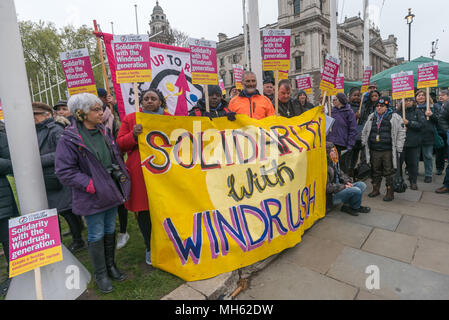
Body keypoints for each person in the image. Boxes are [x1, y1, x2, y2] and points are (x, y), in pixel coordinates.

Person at [55, 93, 130, 294]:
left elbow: (113, 156)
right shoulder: (69, 138)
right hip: (92, 195)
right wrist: (91, 184)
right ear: (81, 113)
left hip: (111, 190)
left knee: (109, 229)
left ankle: (110, 265)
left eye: (101, 108)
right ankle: (100, 274)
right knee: (96, 233)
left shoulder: (104, 131)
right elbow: (64, 171)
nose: (101, 112)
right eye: (96, 109)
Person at [117, 88, 169, 266]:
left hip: (166, 172)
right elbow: (120, 145)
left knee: (166, 208)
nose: (149, 101)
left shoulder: (169, 118)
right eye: (145, 98)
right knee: (145, 212)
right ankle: (150, 246)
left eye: (153, 98)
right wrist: (133, 135)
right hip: (141, 173)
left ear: (160, 102)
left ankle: (169, 243)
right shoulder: (131, 119)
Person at [32, 102, 86, 253]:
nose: (33, 118)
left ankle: (78, 240)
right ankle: (62, 240)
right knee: (59, 210)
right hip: (49, 177)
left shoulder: (55, 129)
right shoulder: (37, 130)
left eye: (35, 114)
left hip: (59, 176)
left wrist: (37, 160)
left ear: (46, 115)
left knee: (67, 210)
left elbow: (62, 152)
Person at [361, 97, 406, 201]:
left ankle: (390, 191)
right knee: (375, 170)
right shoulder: (371, 116)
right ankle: (375, 189)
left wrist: (399, 147)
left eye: (382, 106)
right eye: (377, 106)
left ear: (387, 107)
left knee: (389, 171)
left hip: (388, 150)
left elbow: (401, 133)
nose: (379, 108)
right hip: (374, 149)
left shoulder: (395, 117)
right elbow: (365, 131)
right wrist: (364, 142)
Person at [0, 121, 19, 297]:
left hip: (1, 199)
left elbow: (12, 163)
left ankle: (14, 276)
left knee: (8, 239)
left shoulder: (1, 136)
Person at [326, 142, 371, 216]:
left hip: (339, 188)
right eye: (331, 151)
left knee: (362, 185)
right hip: (332, 196)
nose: (334, 152)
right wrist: (344, 187)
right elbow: (328, 188)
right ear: (327, 152)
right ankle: (355, 207)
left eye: (334, 150)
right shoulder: (325, 167)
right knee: (356, 190)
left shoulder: (334, 161)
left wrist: (347, 182)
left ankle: (347, 206)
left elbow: (341, 174)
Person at [396, 97, 425, 190]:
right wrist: (401, 126)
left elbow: (422, 125)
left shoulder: (418, 112)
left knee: (413, 164)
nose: (408, 102)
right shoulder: (397, 112)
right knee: (398, 164)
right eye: (406, 100)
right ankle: (399, 181)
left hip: (413, 143)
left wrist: (409, 123)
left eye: (410, 100)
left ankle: (413, 181)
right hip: (400, 143)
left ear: (413, 102)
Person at [327, 93, 358, 174]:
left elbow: (353, 130)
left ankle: (343, 184)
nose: (333, 101)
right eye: (332, 99)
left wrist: (350, 145)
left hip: (342, 145)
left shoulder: (349, 112)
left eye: (335, 99)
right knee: (332, 166)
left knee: (342, 167)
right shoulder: (331, 112)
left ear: (340, 101)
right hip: (331, 144)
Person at [415, 89, 439, 183]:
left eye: (423, 95)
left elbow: (438, 120)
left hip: (428, 135)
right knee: (415, 156)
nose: (420, 97)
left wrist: (431, 115)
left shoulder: (432, 107)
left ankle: (428, 174)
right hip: (416, 135)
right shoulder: (413, 107)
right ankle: (414, 172)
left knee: (428, 156)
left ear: (426, 97)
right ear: (416, 98)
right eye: (418, 95)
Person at [347, 87, 365, 178]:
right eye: (354, 95)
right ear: (350, 96)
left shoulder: (362, 106)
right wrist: (354, 117)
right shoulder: (346, 107)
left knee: (355, 157)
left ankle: (352, 172)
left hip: (359, 137)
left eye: (358, 95)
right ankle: (347, 173)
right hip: (350, 137)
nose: (357, 97)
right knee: (348, 157)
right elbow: (345, 121)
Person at [435, 90, 449, 193]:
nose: (440, 97)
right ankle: (447, 184)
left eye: (442, 95)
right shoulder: (444, 105)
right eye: (439, 95)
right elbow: (441, 119)